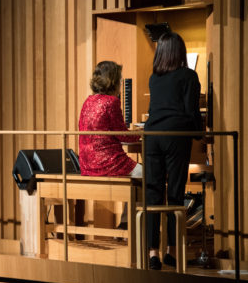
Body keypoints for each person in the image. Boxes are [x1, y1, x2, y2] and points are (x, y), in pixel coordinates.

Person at [144, 32, 202, 270]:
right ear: (180, 52)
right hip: (175, 136)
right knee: (175, 193)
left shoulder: (153, 78)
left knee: (153, 194)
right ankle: (172, 252)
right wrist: (200, 132)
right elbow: (191, 112)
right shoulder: (189, 76)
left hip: (151, 136)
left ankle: (152, 254)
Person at [78, 61, 141, 229]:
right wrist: (143, 132)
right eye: (120, 79)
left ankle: (126, 223)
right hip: (108, 163)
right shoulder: (111, 102)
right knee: (147, 175)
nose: (121, 83)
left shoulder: (88, 101)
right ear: (113, 80)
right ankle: (133, 226)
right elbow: (124, 136)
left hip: (86, 164)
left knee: (139, 176)